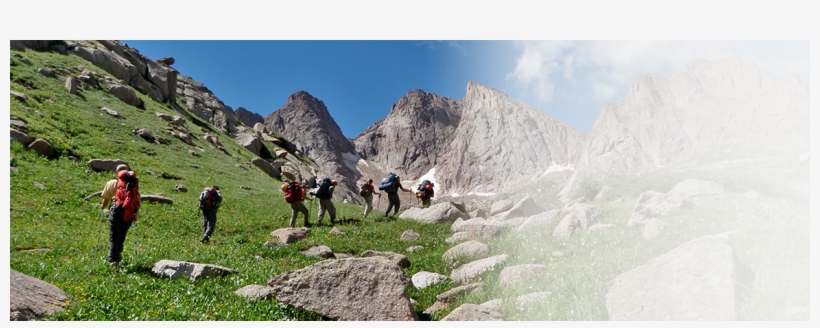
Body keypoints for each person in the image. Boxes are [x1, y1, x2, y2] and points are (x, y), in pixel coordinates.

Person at [102, 164, 140, 267]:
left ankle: (114, 260)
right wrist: (135, 215)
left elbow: (105, 199)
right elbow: (136, 200)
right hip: (129, 212)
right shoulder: (132, 183)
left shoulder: (111, 183)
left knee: (114, 236)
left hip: (116, 211)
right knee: (121, 236)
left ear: (116, 173)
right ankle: (117, 255)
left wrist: (102, 207)